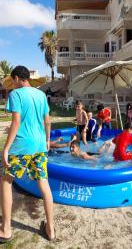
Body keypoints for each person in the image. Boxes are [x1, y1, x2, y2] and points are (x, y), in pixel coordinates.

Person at [0, 66, 55, 243]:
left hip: (22, 146)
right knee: (44, 184)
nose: (12, 84)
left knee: (6, 181)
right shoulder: (41, 95)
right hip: (39, 145)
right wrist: (47, 140)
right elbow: (47, 120)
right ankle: (51, 230)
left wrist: (6, 148)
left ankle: (6, 229)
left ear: (17, 78)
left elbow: (16, 121)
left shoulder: (16, 94)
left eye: (12, 81)